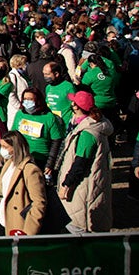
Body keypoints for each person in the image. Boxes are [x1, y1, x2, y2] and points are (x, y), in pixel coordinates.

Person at [53, 90, 114, 233]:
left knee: (78, 229)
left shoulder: (87, 133)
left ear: (76, 107)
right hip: (88, 186)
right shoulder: (93, 124)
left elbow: (80, 163)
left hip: (82, 190)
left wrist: (66, 185)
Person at [0, 130, 47, 236]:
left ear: (15, 148)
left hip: (21, 224)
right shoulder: (9, 163)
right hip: (9, 217)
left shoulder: (30, 170)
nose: (2, 150)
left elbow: (39, 202)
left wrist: (29, 231)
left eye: (5, 147)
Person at [11, 87, 65, 178]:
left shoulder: (49, 117)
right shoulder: (20, 114)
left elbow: (56, 141)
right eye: (25, 99)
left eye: (30, 99)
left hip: (40, 159)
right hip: (21, 156)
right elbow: (13, 135)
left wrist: (50, 163)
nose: (27, 101)